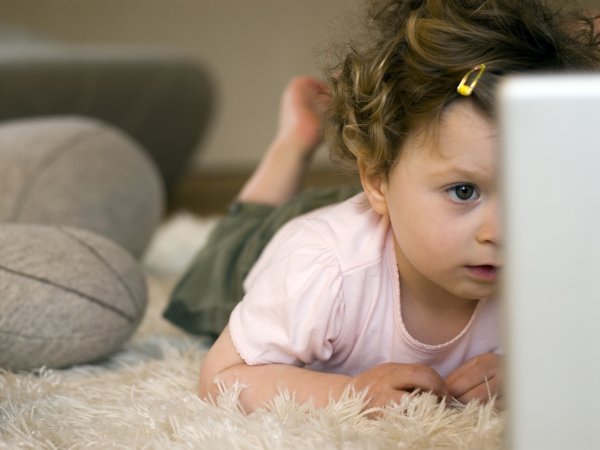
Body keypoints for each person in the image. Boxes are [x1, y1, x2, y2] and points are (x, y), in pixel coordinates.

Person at [165, 0, 600, 412]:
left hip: (403, 212)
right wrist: (351, 392)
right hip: (294, 240)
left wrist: (527, 373)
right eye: (465, 192)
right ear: (375, 181)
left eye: (532, 190)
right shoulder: (319, 270)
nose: (501, 232)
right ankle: (292, 147)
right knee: (218, 266)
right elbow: (222, 377)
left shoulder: (553, 261)